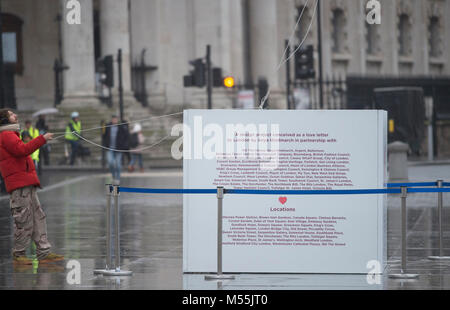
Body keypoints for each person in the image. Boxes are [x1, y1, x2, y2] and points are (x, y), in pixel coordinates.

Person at [0, 109, 64, 265]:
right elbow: (22, 150)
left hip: (26, 182)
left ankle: (43, 252)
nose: (15, 115)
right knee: (24, 219)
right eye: (11, 114)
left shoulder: (13, 135)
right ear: (5, 120)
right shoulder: (6, 135)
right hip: (19, 184)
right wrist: (42, 139)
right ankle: (19, 254)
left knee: (38, 217)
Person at [102, 115, 129, 184]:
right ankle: (113, 176)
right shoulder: (108, 126)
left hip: (118, 149)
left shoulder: (121, 127)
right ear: (112, 120)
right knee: (111, 163)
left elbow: (126, 134)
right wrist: (103, 125)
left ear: (117, 120)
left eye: (116, 119)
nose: (114, 120)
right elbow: (103, 134)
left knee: (118, 164)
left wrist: (126, 124)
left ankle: (117, 178)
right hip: (109, 148)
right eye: (113, 119)